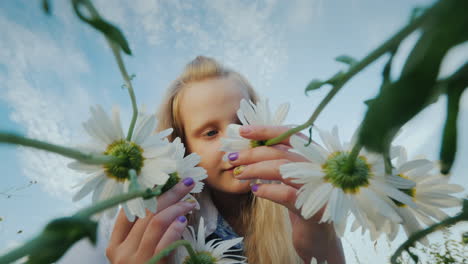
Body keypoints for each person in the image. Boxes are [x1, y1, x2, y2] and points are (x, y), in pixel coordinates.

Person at [105, 56, 345, 263]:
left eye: (243, 123)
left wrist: (326, 245)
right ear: (183, 149)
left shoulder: (300, 210)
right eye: (210, 133)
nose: (235, 140)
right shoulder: (159, 232)